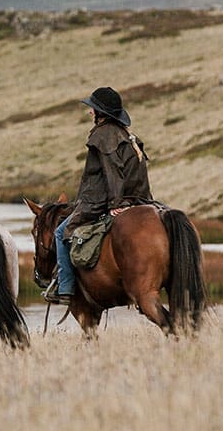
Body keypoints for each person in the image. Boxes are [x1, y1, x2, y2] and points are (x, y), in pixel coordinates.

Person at [46, 86, 152, 305]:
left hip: (100, 201)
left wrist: (115, 203)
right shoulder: (127, 135)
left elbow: (112, 171)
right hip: (140, 199)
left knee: (60, 233)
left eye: (92, 109)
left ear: (101, 113)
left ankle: (65, 287)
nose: (90, 112)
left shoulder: (103, 136)